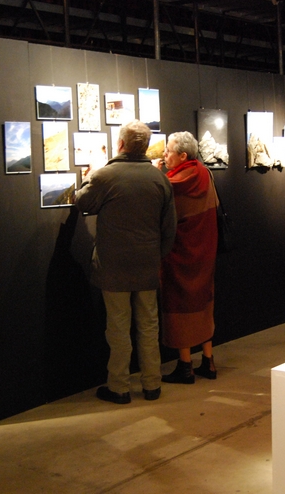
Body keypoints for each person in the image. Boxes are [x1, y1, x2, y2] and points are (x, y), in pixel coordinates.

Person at [74, 120, 177, 404]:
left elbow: (82, 202)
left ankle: (119, 387)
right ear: (145, 146)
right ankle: (152, 384)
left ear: (120, 144)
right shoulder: (159, 179)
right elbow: (169, 227)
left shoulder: (106, 175)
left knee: (118, 329)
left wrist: (90, 174)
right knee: (149, 326)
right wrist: (157, 255)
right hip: (147, 266)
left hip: (113, 267)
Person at [156, 132, 219, 383]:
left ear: (183, 156)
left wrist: (157, 175)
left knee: (180, 306)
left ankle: (185, 366)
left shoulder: (171, 183)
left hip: (180, 255)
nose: (164, 154)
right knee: (203, 304)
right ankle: (208, 361)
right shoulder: (205, 173)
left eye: (168, 150)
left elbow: (163, 215)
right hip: (205, 252)